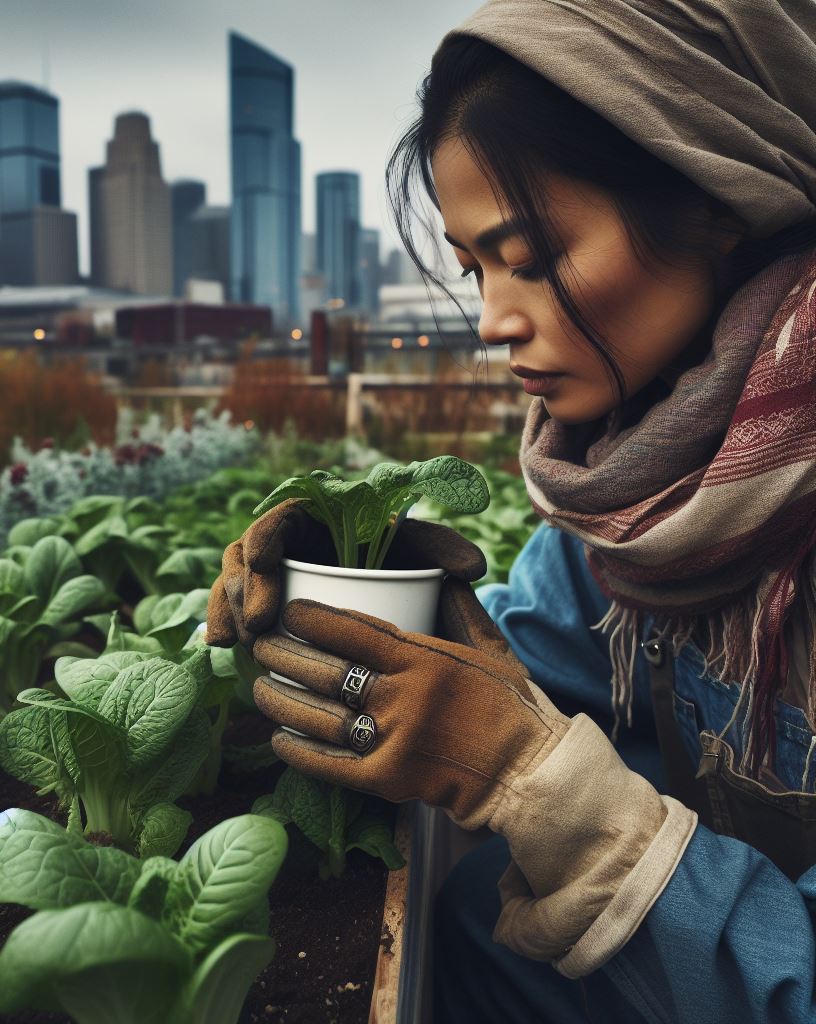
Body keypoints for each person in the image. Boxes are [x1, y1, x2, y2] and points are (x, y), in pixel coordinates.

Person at [205, 1, 816, 1020]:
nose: (491, 319)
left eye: (530, 256)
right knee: (481, 914)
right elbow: (515, 675)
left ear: (719, 199)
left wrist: (535, 784)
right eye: (475, 269)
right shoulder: (640, 485)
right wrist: (351, 592)